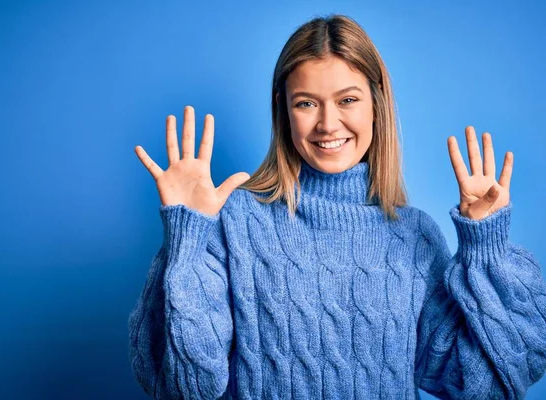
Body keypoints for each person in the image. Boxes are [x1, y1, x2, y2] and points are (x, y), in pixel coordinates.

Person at [128, 14, 546, 400]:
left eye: (347, 100)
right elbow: (186, 386)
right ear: (284, 111)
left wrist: (486, 249)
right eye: (306, 103)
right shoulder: (237, 221)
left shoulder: (414, 236)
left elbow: (482, 384)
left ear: (376, 107)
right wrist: (187, 237)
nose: (328, 124)